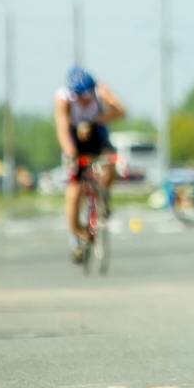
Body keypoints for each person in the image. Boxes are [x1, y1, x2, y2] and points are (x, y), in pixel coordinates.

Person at [53, 65, 126, 263]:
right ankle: (76, 232)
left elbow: (121, 111)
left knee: (111, 162)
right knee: (75, 187)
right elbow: (62, 128)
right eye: (80, 96)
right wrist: (71, 154)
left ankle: (103, 195)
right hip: (75, 139)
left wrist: (96, 119)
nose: (84, 99)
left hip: (97, 134)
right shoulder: (63, 98)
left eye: (87, 94)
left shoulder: (101, 91)